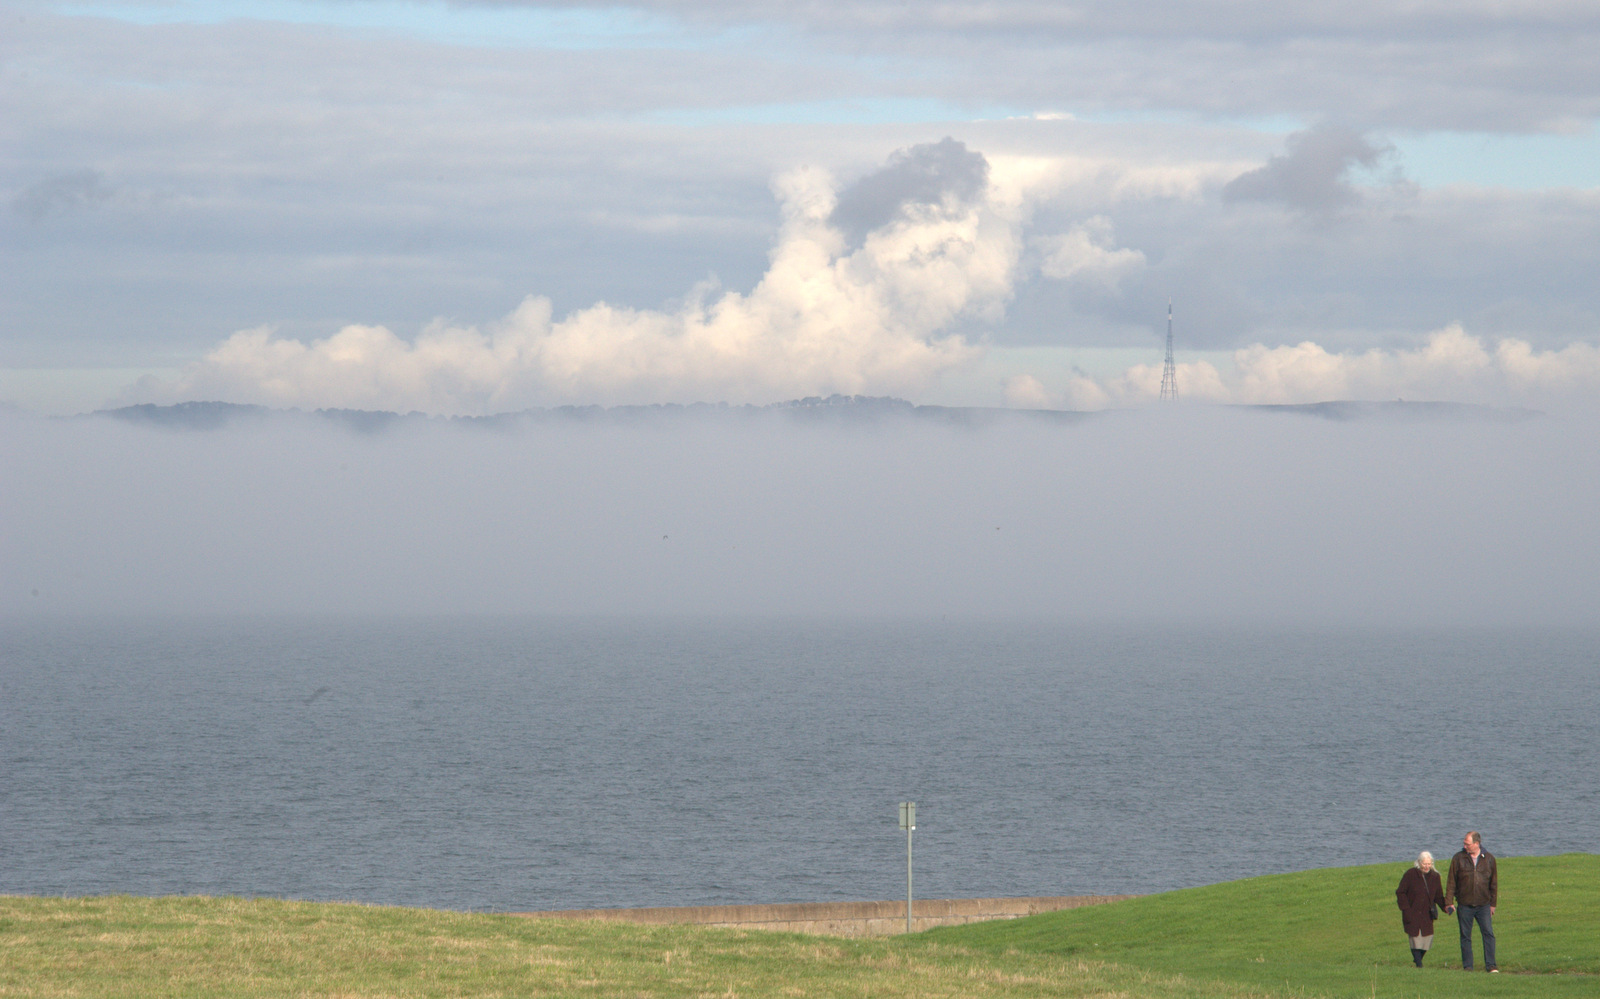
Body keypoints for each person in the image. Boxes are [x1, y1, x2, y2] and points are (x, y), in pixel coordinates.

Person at [1445, 830, 1498, 972]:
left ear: (1476, 843)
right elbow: (1451, 882)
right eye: (1464, 843)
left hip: (1483, 905)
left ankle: (1491, 965)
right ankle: (1468, 967)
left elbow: (1493, 884)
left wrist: (1493, 904)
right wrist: (1448, 902)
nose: (1464, 846)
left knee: (1488, 934)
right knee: (1465, 936)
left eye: (1467, 844)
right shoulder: (1458, 858)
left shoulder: (1489, 859)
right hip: (1464, 905)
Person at [1395, 851, 1447, 967]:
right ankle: (1419, 965)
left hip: (1427, 915)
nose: (1427, 866)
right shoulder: (1410, 874)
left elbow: (1438, 896)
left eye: (1429, 864)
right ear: (1419, 863)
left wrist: (1446, 907)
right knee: (1415, 939)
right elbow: (1400, 892)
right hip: (1412, 912)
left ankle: (1418, 961)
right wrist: (1405, 909)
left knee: (1427, 941)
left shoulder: (1435, 877)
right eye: (1424, 864)